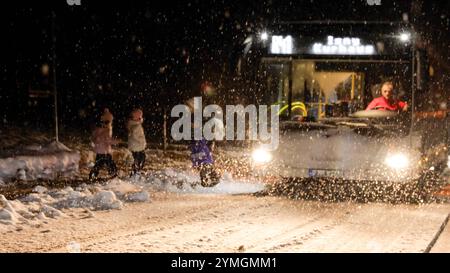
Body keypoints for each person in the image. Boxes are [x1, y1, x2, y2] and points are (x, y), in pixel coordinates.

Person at [89, 109, 120, 181]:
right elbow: (108, 140)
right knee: (110, 164)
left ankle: (93, 175)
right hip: (105, 151)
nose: (111, 123)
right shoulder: (106, 130)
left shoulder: (98, 129)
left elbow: (94, 138)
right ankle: (113, 175)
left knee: (98, 164)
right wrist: (116, 141)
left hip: (99, 151)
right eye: (110, 121)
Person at [127, 108, 147, 177]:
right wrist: (142, 141)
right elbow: (135, 136)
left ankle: (135, 173)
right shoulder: (136, 126)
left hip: (135, 146)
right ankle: (135, 174)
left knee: (138, 160)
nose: (141, 118)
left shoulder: (133, 124)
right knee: (140, 160)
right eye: (140, 116)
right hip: (138, 147)